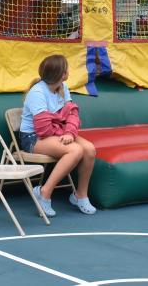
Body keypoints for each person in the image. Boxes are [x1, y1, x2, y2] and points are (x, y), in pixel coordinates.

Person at [19, 54, 98, 215]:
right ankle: (44, 192)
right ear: (61, 74)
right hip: (34, 138)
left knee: (89, 149)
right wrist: (65, 132)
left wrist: (69, 131)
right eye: (66, 69)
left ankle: (80, 195)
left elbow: (72, 114)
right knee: (75, 150)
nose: (68, 72)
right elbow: (44, 130)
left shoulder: (63, 87)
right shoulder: (37, 93)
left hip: (59, 131)